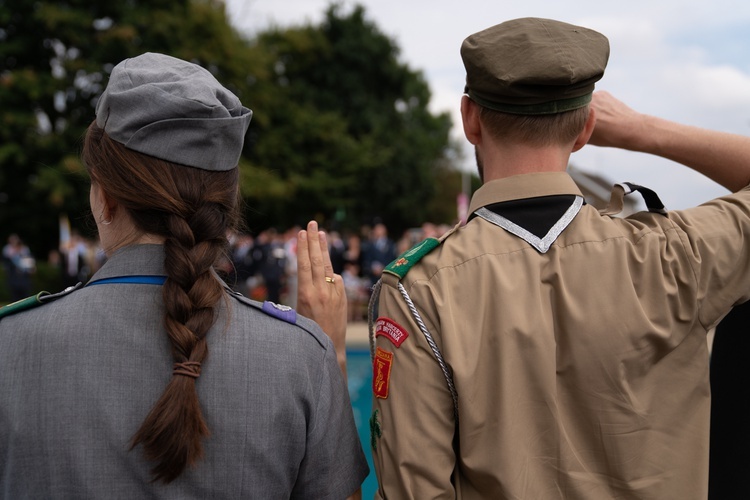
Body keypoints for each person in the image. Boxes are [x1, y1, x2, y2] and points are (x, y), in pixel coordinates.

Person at [367, 17, 750, 499]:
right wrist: (643, 130)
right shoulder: (676, 254)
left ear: (469, 119)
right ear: (586, 127)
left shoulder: (420, 290)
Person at [0, 52, 367, 498]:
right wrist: (330, 355)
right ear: (225, 204)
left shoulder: (10, 346)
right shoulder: (301, 357)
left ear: (106, 197)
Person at [1, 234, 35, 302]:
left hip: (25, 282)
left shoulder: (26, 254)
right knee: (15, 300)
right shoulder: (8, 255)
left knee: (26, 300)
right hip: (14, 282)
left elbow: (31, 268)